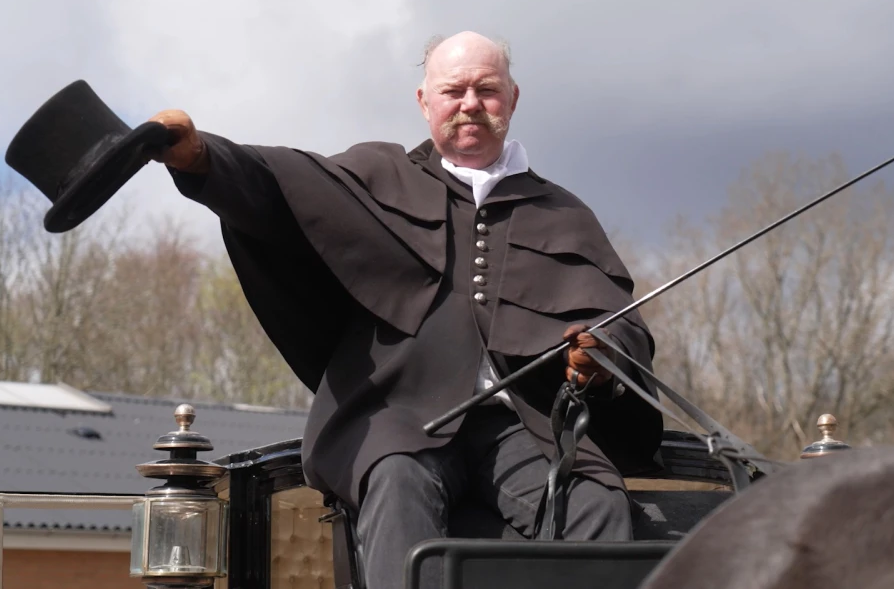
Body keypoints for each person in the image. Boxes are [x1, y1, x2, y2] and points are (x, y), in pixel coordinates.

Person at [148, 30, 664, 589]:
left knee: (594, 499)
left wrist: (599, 357)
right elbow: (277, 183)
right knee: (397, 480)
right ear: (425, 102)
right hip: (397, 418)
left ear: (513, 98)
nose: (470, 103)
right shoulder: (375, 176)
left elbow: (622, 327)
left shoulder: (565, 213)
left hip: (524, 425)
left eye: (487, 90)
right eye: (453, 90)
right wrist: (201, 157)